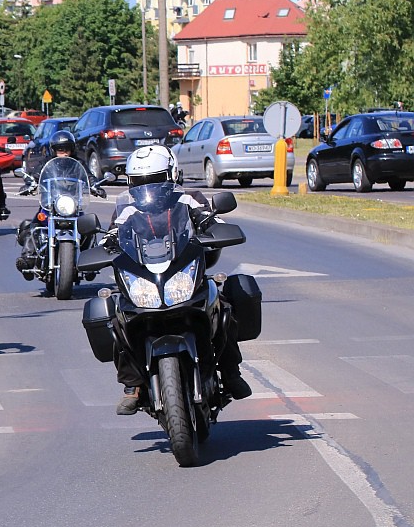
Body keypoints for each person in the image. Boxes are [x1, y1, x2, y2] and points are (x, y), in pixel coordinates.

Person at [106, 145, 252, 414]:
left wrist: (214, 228)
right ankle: (132, 385)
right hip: (146, 278)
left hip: (184, 273)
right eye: (139, 182)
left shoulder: (188, 199)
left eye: (155, 179)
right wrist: (103, 245)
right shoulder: (126, 211)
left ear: (171, 174)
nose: (148, 187)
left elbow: (210, 220)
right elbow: (111, 236)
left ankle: (231, 371)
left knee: (223, 305)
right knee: (117, 318)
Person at [14, 129, 102, 275]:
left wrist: (95, 185)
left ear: (72, 149)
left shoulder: (77, 163)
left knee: (89, 226)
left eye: (67, 149)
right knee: (35, 224)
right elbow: (36, 175)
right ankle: (28, 257)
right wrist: (30, 182)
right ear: (53, 150)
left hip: (73, 205)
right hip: (50, 204)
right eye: (60, 149)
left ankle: (89, 261)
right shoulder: (47, 163)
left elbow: (88, 176)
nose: (64, 152)